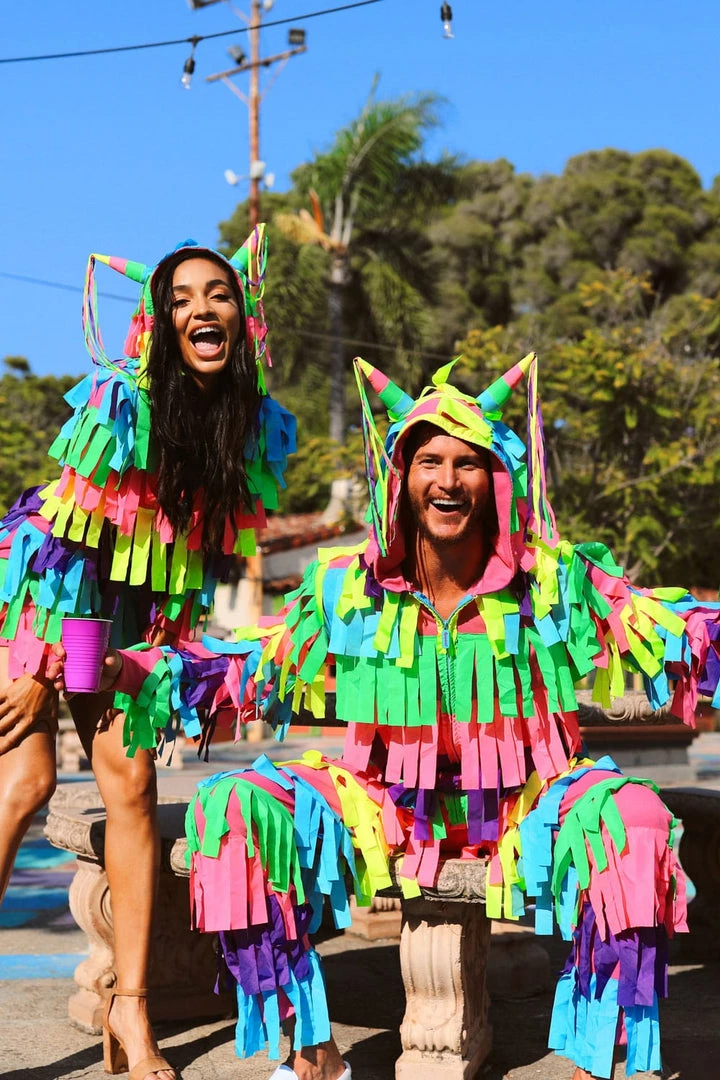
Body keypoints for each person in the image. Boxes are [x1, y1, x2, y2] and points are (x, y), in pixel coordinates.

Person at [78, 354, 719, 1080]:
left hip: (529, 803)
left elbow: (665, 624)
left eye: (467, 463)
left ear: (496, 478)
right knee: (232, 808)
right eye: (429, 462)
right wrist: (130, 669)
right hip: (380, 805)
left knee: (635, 818)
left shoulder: (553, 579)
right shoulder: (345, 586)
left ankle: (600, 1054)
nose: (448, 480)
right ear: (401, 478)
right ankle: (309, 1050)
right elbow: (254, 660)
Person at [0, 225, 296, 1080]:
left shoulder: (250, 424)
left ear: (242, 316)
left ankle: (130, 1011)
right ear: (159, 324)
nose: (202, 308)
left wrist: (166, 651)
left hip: (136, 609)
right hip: (47, 588)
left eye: (219, 294)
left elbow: (194, 550)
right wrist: (38, 668)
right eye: (181, 299)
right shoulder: (120, 400)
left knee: (132, 785)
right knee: (25, 782)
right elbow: (70, 536)